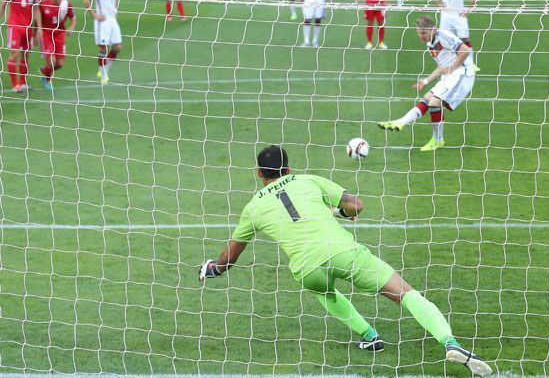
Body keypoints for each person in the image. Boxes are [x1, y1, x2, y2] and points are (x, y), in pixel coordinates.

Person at [199, 145, 492, 376]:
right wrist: (338, 214)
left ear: (259, 174)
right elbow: (356, 206)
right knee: (406, 294)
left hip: (306, 268)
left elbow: (229, 257)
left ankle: (368, 334)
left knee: (324, 291)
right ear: (288, 168)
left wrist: (213, 269)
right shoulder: (308, 180)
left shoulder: (253, 207)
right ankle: (451, 344)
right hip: (343, 252)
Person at [378, 16, 475, 151]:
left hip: (463, 74)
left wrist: (452, 67)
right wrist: (425, 81)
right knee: (427, 98)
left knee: (434, 103)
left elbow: (465, 50)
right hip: (451, 75)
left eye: (424, 33)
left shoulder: (443, 36)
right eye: (418, 33)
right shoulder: (430, 43)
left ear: (432, 29)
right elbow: (442, 66)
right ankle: (400, 122)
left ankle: (438, 140)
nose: (421, 36)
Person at [430, 0, 479, 70]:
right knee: (445, 40)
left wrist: (469, 9)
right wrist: (438, 2)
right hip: (446, 15)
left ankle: (471, 64)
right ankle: (448, 63)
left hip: (459, 15)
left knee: (465, 39)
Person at [0, 0, 42, 93]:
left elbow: (36, 9)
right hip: (15, 27)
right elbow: (3, 6)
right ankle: (15, 85)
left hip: (28, 28)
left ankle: (23, 83)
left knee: (26, 55)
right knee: (14, 54)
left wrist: (39, 28)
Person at [83, 0, 122, 85]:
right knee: (103, 48)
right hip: (102, 22)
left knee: (117, 47)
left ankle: (103, 70)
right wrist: (95, 15)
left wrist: (115, 11)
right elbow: (86, 1)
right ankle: (104, 77)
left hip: (112, 20)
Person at [39, 0, 76, 91]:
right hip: (46, 35)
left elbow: (73, 17)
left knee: (60, 64)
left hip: (60, 35)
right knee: (52, 62)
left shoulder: (66, 4)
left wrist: (72, 27)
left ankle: (45, 71)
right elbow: (37, 19)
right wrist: (37, 32)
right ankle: (47, 79)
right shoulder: (43, 4)